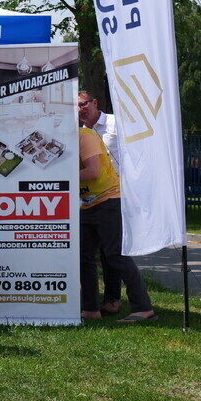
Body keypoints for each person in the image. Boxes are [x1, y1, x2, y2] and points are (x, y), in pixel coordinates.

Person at [78, 122, 155, 323]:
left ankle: (143, 307)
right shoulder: (66, 140)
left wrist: (58, 178)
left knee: (116, 255)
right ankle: (90, 309)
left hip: (108, 200)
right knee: (83, 257)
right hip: (87, 204)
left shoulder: (84, 136)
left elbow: (93, 171)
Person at [77, 90, 124, 313]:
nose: (80, 109)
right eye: (76, 107)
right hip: (91, 197)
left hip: (118, 194)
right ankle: (92, 305)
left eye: (83, 104)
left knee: (111, 251)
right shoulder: (82, 133)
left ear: (95, 102)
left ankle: (113, 299)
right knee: (89, 252)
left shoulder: (116, 123)